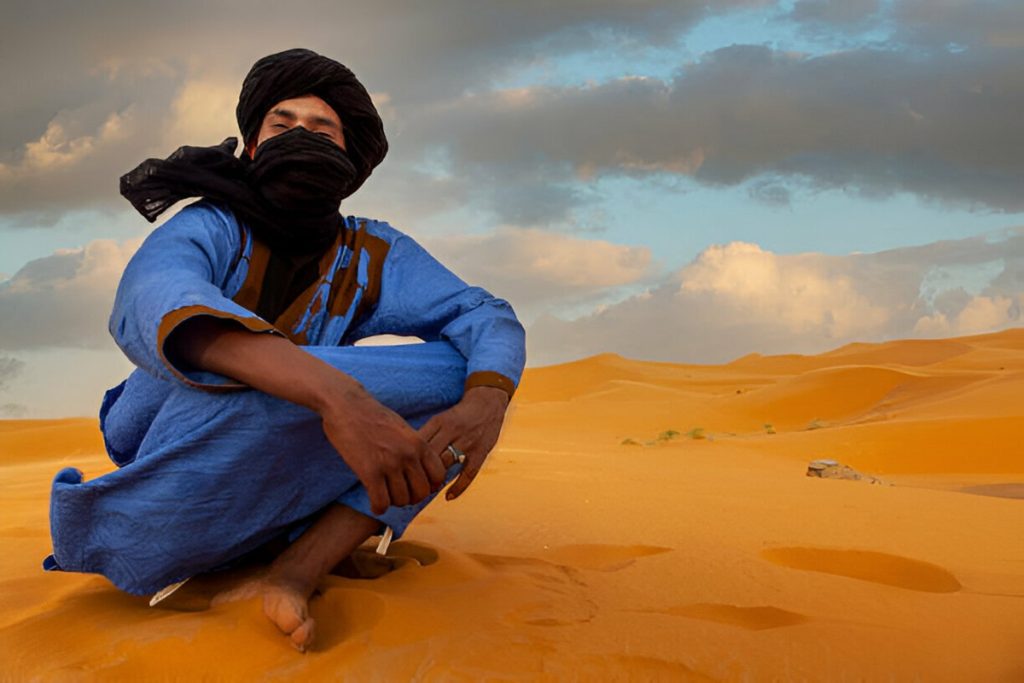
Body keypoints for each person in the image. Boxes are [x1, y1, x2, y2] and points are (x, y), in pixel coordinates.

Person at [44, 48, 526, 652]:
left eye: (323, 128)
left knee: (469, 374)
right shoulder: (209, 225)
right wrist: (339, 398)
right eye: (283, 124)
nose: (302, 135)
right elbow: (157, 298)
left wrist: (488, 398)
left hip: (295, 434)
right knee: (217, 373)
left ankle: (296, 568)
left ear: (348, 156)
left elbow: (482, 313)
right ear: (251, 146)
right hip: (178, 428)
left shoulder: (371, 250)